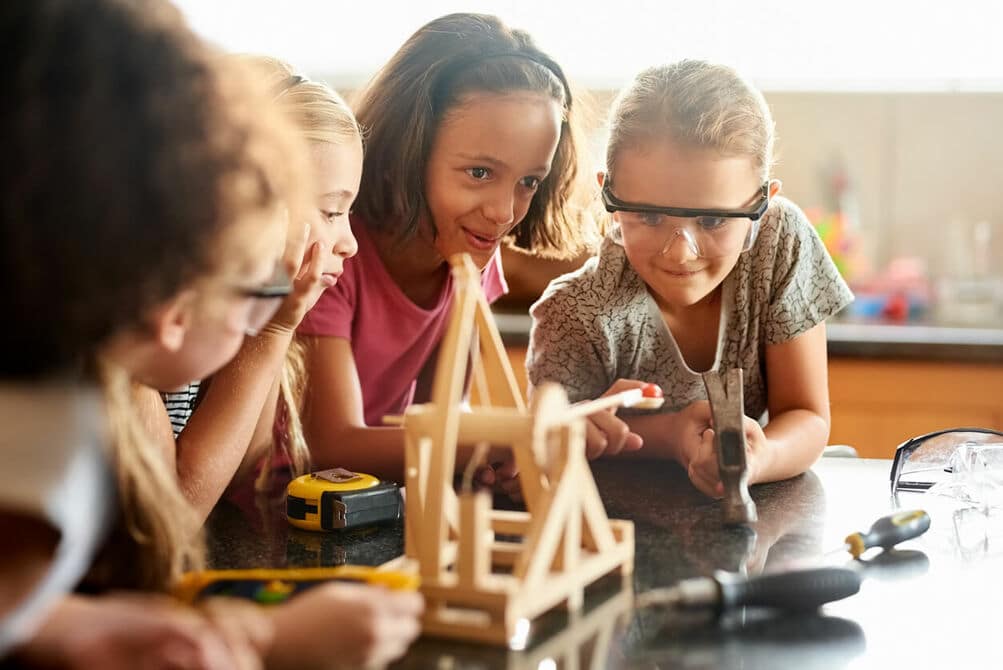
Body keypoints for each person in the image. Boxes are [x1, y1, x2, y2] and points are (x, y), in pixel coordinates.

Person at [1, 1, 420, 667]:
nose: (345, 241)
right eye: (331, 211)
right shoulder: (51, 427)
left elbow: (27, 620)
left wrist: (83, 630)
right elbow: (168, 526)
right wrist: (266, 640)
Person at [527, 60, 854, 497]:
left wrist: (761, 457)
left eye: (712, 220)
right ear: (608, 192)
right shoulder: (576, 313)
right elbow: (543, 448)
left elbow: (806, 414)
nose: (680, 252)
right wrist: (672, 436)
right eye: (648, 215)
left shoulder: (780, 242)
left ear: (763, 203)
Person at [298, 12, 593, 483]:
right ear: (407, 151)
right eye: (479, 173)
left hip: (385, 505)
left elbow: (444, 415)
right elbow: (333, 445)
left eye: (529, 182)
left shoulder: (472, 258)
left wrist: (485, 460)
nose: (503, 212)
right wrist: (500, 438)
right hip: (287, 508)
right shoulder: (338, 257)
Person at [144, 54, 362, 522]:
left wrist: (274, 321)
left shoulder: (216, 323)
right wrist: (273, 330)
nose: (350, 243)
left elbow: (237, 469)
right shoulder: (137, 327)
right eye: (330, 212)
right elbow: (175, 509)